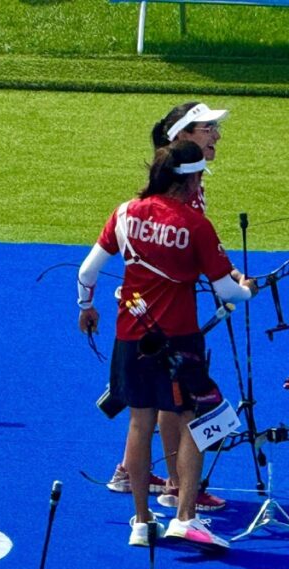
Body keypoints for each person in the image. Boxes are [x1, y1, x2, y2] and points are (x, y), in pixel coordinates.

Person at [77, 140, 256, 550]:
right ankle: (185, 517)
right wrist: (247, 289)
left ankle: (141, 522)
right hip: (179, 340)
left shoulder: (125, 212)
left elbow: (88, 271)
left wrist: (85, 306)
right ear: (190, 179)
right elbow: (226, 287)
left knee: (140, 424)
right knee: (198, 417)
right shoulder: (195, 225)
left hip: (130, 335)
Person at [105, 102, 231, 514]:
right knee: (174, 398)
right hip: (164, 313)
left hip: (150, 309)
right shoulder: (178, 190)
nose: (215, 134)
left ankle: (134, 473)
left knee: (157, 400)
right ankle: (178, 486)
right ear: (181, 137)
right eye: (207, 127)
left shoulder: (186, 185)